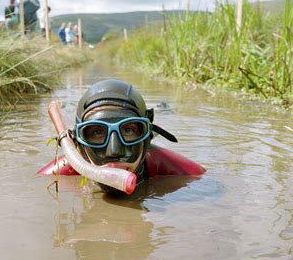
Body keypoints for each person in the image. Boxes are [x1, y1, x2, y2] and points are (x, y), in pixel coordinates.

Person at [38, 79, 205, 193]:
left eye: (128, 130)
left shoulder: (187, 173)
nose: (114, 151)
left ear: (146, 138)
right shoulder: (57, 174)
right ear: (78, 144)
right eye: (97, 132)